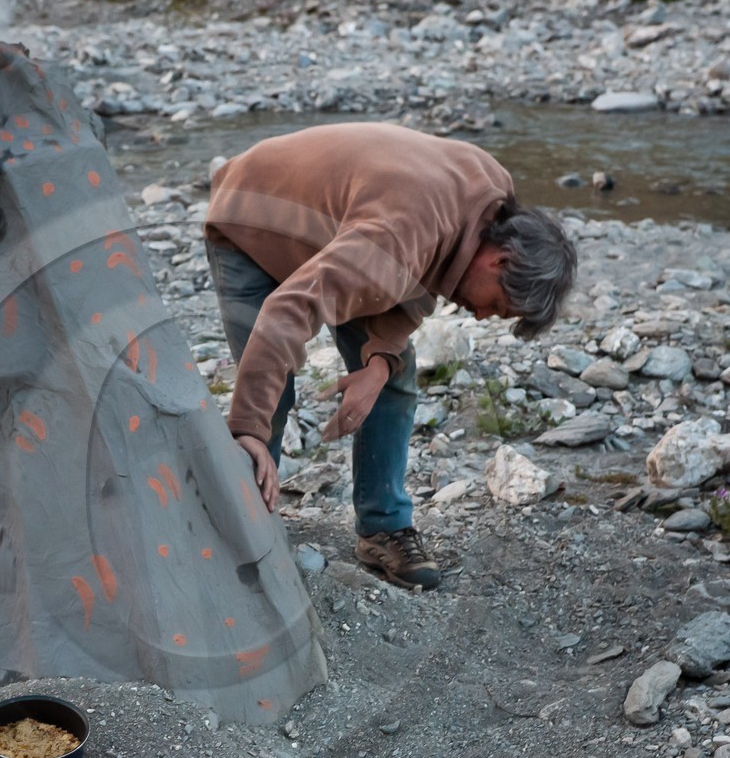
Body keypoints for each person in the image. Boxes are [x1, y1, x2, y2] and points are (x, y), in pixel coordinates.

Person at [204, 121, 576, 590]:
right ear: (500, 260)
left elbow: (426, 276)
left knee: (394, 377)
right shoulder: (397, 240)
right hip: (251, 216)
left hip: (345, 231)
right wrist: (248, 428)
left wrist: (377, 363)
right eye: (497, 305)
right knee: (269, 396)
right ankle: (243, 528)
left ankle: (384, 529)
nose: (482, 316)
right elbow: (287, 310)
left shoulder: (490, 203)